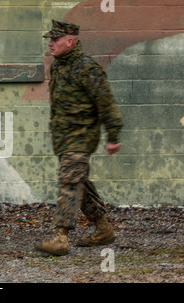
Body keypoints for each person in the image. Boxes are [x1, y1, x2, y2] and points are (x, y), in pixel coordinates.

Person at [35, 20, 123, 256]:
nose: (50, 44)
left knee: (70, 183)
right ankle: (103, 228)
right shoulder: (58, 66)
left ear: (70, 41)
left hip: (81, 137)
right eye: (50, 40)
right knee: (80, 182)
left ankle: (61, 237)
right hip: (65, 137)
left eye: (55, 39)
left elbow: (107, 104)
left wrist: (112, 136)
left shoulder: (88, 68)